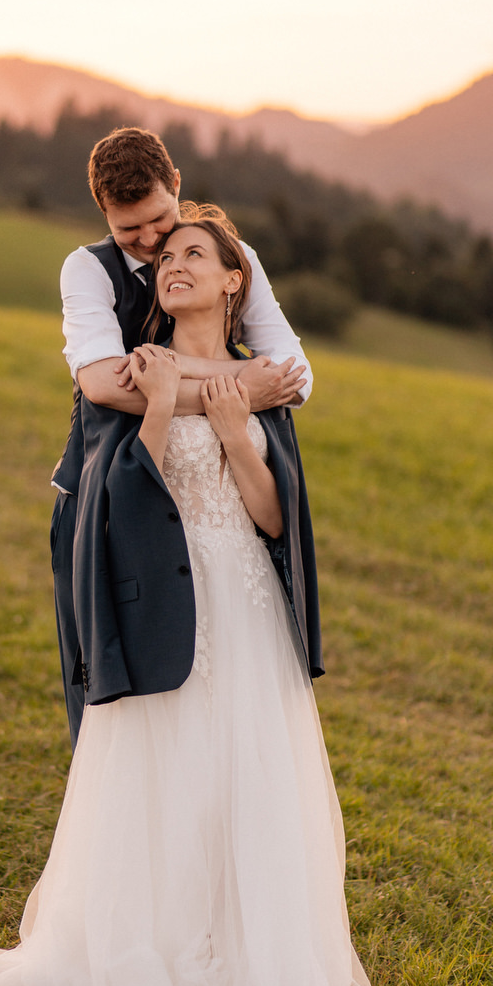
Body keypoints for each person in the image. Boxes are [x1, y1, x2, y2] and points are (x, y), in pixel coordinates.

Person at [0, 210, 376, 986]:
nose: (174, 266)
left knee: (240, 780)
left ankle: (239, 965)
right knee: (154, 778)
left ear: (237, 281)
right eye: (166, 259)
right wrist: (159, 409)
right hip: (159, 593)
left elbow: (274, 516)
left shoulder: (261, 379)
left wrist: (236, 431)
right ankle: (140, 961)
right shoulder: (143, 368)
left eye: (195, 254)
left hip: (243, 604)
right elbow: (121, 496)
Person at [53, 127, 312, 746]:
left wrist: (180, 383)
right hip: (104, 496)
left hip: (220, 514)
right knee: (108, 672)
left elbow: (296, 380)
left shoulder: (234, 258)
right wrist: (238, 386)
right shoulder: (87, 269)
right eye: (128, 232)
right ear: (105, 219)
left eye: (158, 222)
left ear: (177, 188)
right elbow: (103, 386)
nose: (148, 244)